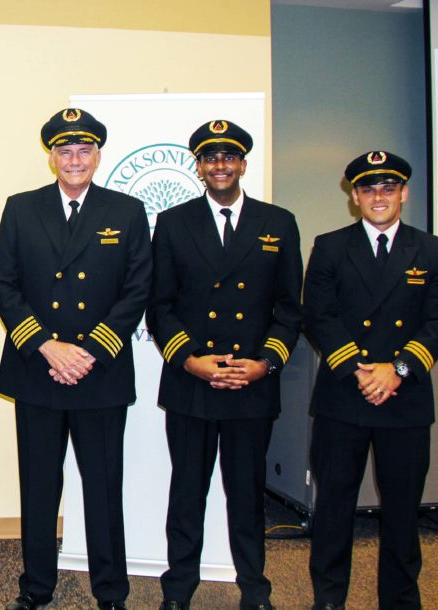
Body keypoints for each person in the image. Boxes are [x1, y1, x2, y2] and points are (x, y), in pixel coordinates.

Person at [0, 108, 151, 610]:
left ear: (98, 155)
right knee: (39, 488)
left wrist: (91, 350)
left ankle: (111, 590)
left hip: (98, 373)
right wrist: (45, 344)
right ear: (51, 157)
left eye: (84, 150)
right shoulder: (21, 208)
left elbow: (137, 288)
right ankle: (36, 587)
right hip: (39, 370)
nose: (75, 159)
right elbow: (4, 284)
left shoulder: (126, 211)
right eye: (65, 150)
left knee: (104, 489)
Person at [147, 120, 302, 610]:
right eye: (210, 157)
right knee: (187, 495)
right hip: (192, 382)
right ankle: (178, 590)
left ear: (242, 164)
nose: (220, 165)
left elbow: (289, 310)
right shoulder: (173, 223)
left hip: (250, 384)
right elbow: (160, 306)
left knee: (247, 496)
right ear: (198, 165)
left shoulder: (278, 223)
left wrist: (264, 364)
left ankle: (254, 590)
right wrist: (190, 359)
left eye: (229, 157)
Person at [303, 151, 436, 610]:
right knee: (334, 510)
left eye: (387, 187)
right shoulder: (330, 246)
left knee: (402, 512)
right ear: (354, 197)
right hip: (345, 394)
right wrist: (360, 369)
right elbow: (319, 316)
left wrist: (396, 370)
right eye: (367, 189)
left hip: (405, 398)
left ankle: (400, 601)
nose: (377, 197)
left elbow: (435, 322)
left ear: (403, 193)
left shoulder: (431, 250)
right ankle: (329, 599)